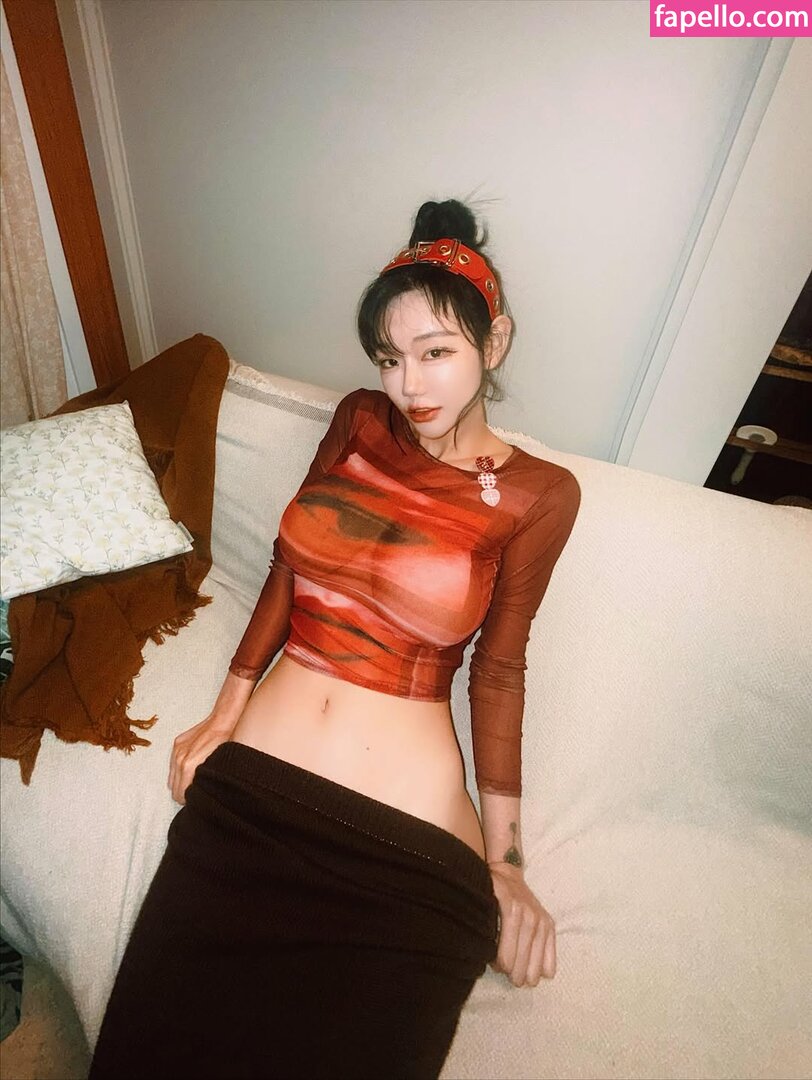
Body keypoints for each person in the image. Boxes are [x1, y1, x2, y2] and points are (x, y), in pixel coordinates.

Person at [89, 199, 581, 1080]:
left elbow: (499, 670)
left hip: (404, 846)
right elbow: (289, 563)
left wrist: (506, 863)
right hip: (254, 803)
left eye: (436, 353)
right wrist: (225, 709)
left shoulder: (541, 494)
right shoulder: (359, 420)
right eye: (390, 358)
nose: (410, 385)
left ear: (494, 342)